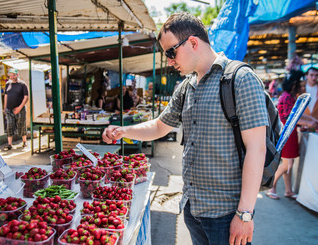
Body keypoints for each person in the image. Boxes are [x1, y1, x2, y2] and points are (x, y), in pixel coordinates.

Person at [103, 12, 268, 245]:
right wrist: (123, 131)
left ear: (192, 42)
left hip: (226, 213)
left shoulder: (241, 79)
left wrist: (245, 213)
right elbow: (160, 126)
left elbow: (257, 149)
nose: (170, 61)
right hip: (193, 208)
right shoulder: (186, 86)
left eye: (171, 52)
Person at [266, 71, 306, 200]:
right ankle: (271, 188)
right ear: (295, 84)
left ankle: (288, 190)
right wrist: (311, 121)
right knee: (287, 164)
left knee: (288, 164)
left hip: (289, 133)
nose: (303, 86)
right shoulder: (288, 97)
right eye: (302, 84)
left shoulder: (288, 96)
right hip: (287, 134)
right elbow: (291, 117)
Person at [3, 68, 29, 150]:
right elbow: (6, 96)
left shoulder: (22, 84)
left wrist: (19, 108)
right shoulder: (8, 84)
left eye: (13, 75)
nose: (12, 77)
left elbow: (26, 97)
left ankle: (24, 142)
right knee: (9, 126)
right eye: (10, 75)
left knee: (21, 125)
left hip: (20, 109)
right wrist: (5, 107)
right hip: (9, 109)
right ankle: (9, 144)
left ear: (17, 75)